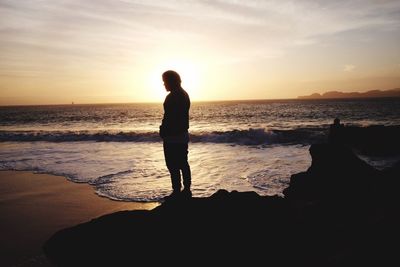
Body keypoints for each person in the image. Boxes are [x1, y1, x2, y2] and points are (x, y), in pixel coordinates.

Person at [159, 70, 192, 198]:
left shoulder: (174, 96)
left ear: (171, 81)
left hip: (174, 136)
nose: (164, 85)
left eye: (165, 82)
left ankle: (179, 191)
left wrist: (164, 130)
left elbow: (170, 117)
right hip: (179, 134)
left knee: (174, 164)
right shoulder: (183, 94)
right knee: (181, 163)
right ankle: (184, 190)